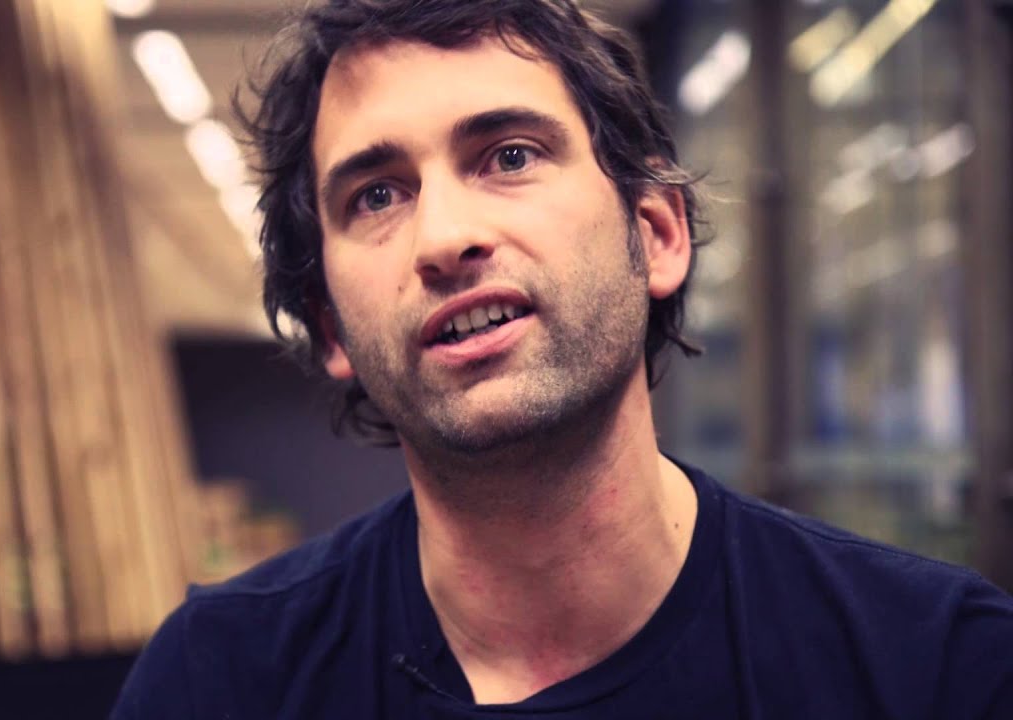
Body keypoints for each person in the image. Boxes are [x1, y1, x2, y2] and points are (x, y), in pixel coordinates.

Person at [112, 1, 1013, 717]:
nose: (445, 237)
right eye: (377, 195)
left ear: (655, 235)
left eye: (509, 155)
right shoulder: (217, 681)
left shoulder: (938, 666)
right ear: (332, 329)